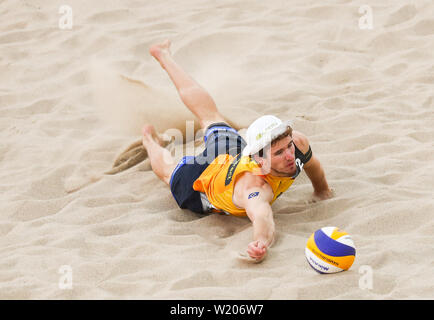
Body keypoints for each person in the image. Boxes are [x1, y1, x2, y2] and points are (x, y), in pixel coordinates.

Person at [142, 40, 333, 262]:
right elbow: (262, 217)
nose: (290, 155)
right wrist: (261, 242)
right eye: (279, 153)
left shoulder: (297, 143)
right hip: (203, 182)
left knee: (211, 116)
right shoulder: (255, 188)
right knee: (168, 172)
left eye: (288, 147)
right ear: (260, 160)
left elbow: (313, 166)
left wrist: (322, 191)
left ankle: (163, 54)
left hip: (229, 154)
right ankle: (148, 141)